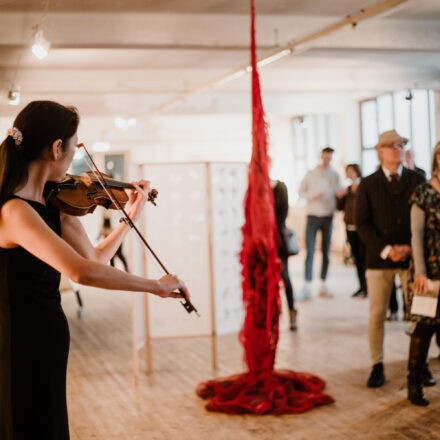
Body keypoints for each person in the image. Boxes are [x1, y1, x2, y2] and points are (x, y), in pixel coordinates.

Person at [0, 101, 189, 440]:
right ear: (56, 148)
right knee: (25, 423)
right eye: (73, 149)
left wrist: (129, 218)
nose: (74, 161)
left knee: (48, 422)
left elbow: (95, 259)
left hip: (47, 335)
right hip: (18, 339)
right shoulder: (14, 211)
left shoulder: (53, 204)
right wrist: (154, 286)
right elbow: (80, 272)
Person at [355, 129, 425, 388]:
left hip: (411, 258)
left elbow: (424, 219)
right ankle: (377, 364)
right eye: (391, 146)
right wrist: (387, 249)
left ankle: (420, 365)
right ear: (380, 151)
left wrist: (408, 247)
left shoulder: (417, 179)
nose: (397, 149)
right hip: (379, 259)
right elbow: (361, 223)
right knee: (377, 314)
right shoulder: (369, 183)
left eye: (400, 145)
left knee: (419, 314)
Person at [406, 141, 440, 406]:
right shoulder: (423, 193)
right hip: (427, 272)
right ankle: (414, 384)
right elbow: (416, 236)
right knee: (424, 327)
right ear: (436, 159)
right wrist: (420, 272)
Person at [298, 146, 344, 299]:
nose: (327, 160)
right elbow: (300, 191)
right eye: (325, 157)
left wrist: (338, 198)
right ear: (321, 156)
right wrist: (313, 195)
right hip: (312, 214)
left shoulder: (335, 175)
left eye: (329, 158)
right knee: (310, 251)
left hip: (327, 216)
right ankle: (307, 285)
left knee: (326, 251)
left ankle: (323, 284)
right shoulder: (311, 174)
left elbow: (339, 192)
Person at [336, 163, 367, 298]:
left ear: (356, 171)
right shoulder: (347, 189)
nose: (349, 173)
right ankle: (361, 286)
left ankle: (368, 286)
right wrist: (339, 197)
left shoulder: (363, 186)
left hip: (362, 228)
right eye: (347, 171)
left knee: (365, 258)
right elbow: (340, 208)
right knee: (357, 259)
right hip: (349, 227)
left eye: (350, 171)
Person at [272, 179, 297, 330]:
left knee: (285, 276)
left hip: (278, 239)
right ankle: (272, 316)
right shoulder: (257, 188)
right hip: (263, 240)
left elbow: (284, 213)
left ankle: (292, 312)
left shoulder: (280, 187)